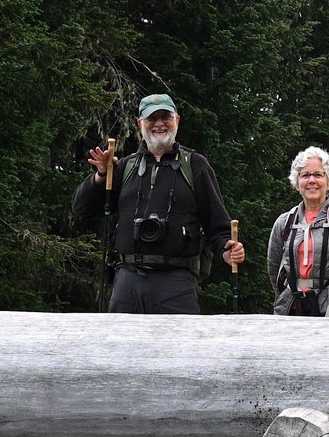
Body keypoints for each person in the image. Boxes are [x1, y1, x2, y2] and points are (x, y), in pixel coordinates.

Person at [73, 93, 245, 314]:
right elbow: (82, 208)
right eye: (152, 119)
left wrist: (226, 249)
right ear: (140, 124)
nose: (159, 124)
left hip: (176, 282)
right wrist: (100, 176)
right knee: (121, 348)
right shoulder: (125, 167)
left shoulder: (195, 165)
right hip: (127, 280)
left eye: (165, 117)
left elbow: (217, 224)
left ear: (177, 120)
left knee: (177, 348)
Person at [267, 147, 329, 317]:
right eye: (305, 175)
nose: (311, 180)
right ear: (297, 183)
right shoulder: (284, 222)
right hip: (293, 310)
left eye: (318, 175)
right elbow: (274, 267)